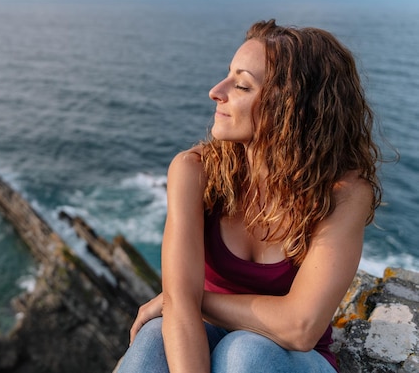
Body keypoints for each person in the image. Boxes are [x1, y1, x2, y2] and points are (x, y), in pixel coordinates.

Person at [116, 19, 382, 373]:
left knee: (245, 352)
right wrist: (182, 303)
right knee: (153, 339)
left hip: (289, 360)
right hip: (209, 336)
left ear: (289, 106)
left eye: (241, 85)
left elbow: (300, 328)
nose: (216, 91)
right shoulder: (194, 171)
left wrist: (191, 300)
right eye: (228, 76)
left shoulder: (343, 194)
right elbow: (179, 313)